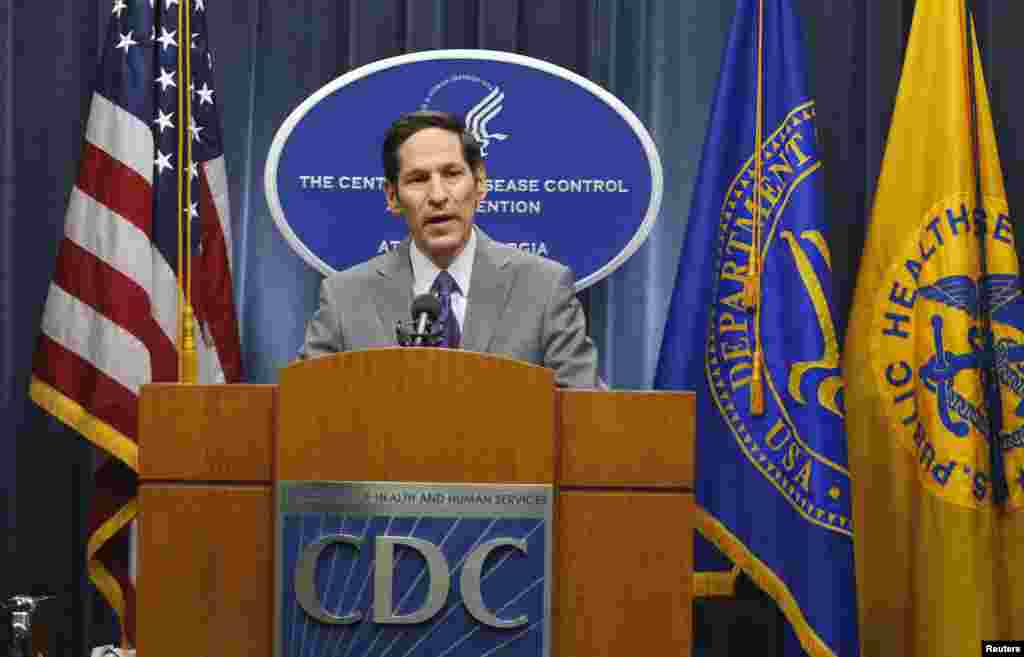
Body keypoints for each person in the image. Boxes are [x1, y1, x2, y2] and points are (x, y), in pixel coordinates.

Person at [298, 110, 599, 388]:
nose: (438, 196)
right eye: (418, 179)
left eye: (452, 174)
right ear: (392, 196)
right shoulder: (344, 298)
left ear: (479, 183)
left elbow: (581, 410)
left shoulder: (544, 288)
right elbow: (305, 408)